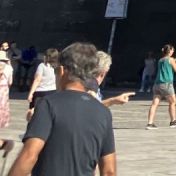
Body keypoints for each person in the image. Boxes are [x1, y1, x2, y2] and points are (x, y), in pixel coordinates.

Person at [10, 42, 116, 176]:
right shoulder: (103, 112)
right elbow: (109, 171)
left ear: (62, 70)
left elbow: (29, 155)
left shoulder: (48, 104)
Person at [145, 43, 176, 129]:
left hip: (157, 84)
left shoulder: (161, 60)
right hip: (166, 84)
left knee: (154, 103)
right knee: (173, 102)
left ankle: (150, 123)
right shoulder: (171, 59)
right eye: (172, 50)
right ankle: (173, 121)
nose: (173, 51)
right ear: (170, 51)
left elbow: (169, 62)